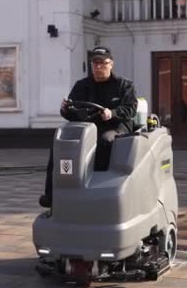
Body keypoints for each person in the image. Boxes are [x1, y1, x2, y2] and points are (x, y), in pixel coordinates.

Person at [39, 46, 138, 207]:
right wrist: (65, 108)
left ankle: (97, 190)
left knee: (105, 140)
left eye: (102, 63)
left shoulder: (124, 85)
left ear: (111, 64)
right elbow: (71, 113)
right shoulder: (82, 85)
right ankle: (51, 195)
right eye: (95, 63)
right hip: (87, 126)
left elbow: (131, 109)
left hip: (115, 126)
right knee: (58, 143)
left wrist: (112, 113)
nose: (98, 67)